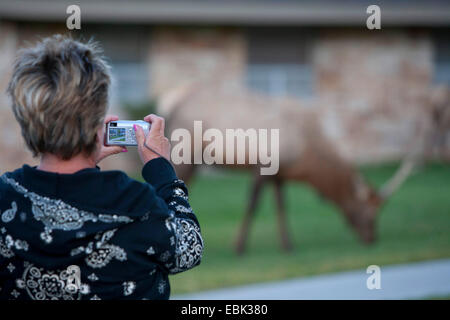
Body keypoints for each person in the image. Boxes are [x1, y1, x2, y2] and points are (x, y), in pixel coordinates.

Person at [0, 35, 203, 300]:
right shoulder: (136, 205)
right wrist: (161, 170)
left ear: (25, 117)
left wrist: (82, 158)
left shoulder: (5, 198)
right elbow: (189, 248)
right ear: (97, 115)